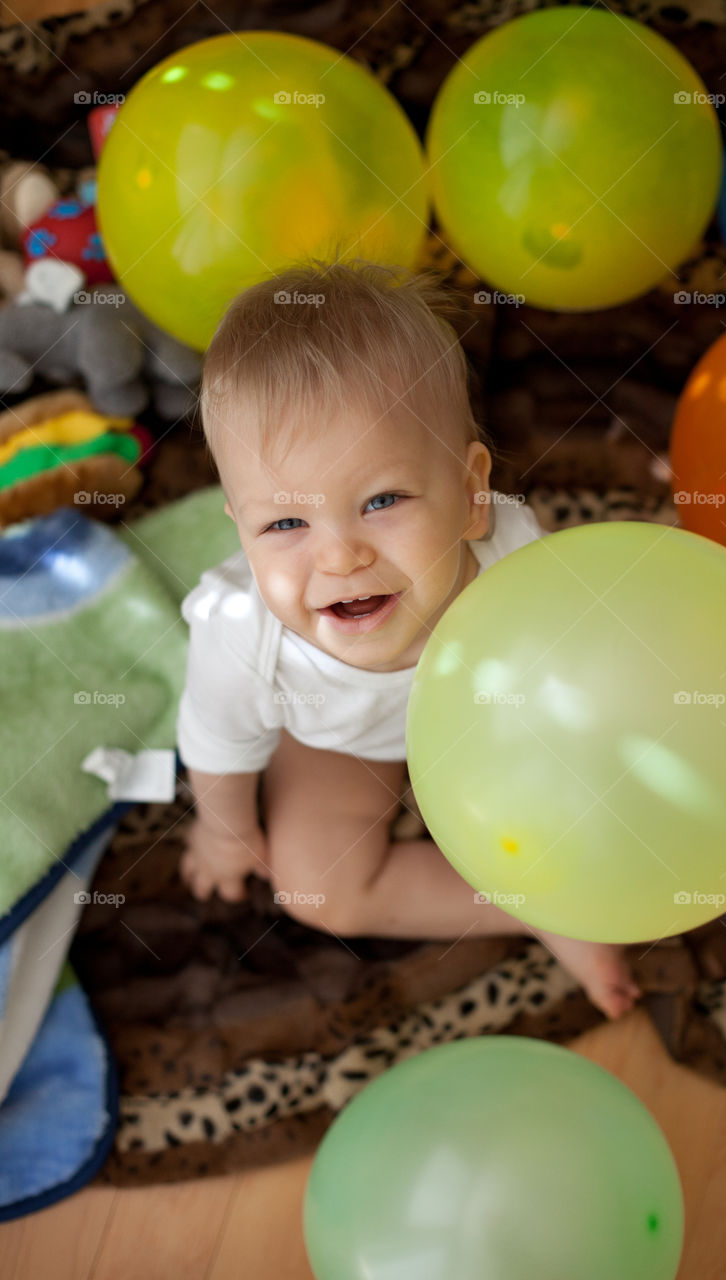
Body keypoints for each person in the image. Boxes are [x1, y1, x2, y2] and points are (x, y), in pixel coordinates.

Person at [176, 254, 643, 1021]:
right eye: (284, 523)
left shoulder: (512, 557)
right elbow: (217, 750)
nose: (338, 556)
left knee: (600, 771)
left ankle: (572, 868)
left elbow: (578, 648)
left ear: (469, 497)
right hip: (342, 744)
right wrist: (225, 834)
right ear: (241, 527)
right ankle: (536, 907)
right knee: (316, 888)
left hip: (486, 717)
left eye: (381, 499)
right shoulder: (239, 637)